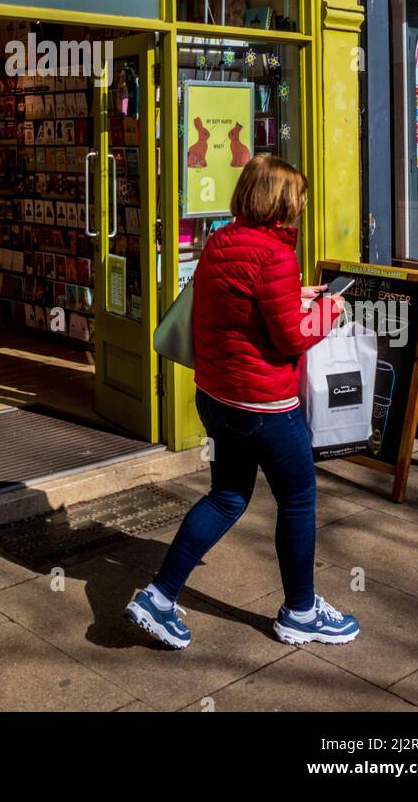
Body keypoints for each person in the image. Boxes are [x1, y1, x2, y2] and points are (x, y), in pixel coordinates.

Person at [125, 155, 359, 650]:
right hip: (264, 407)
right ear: (279, 201)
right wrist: (328, 312)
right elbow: (291, 338)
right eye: (295, 197)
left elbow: (242, 306)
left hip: (217, 396)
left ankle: (159, 598)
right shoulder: (274, 254)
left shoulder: (220, 242)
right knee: (298, 500)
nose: (299, 206)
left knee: (228, 496)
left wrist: (295, 294)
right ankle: (300, 612)